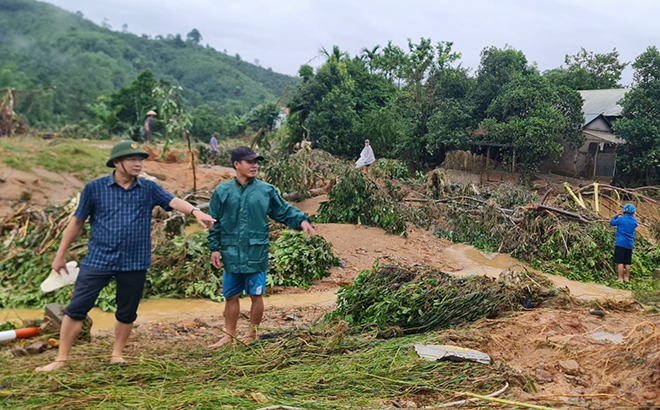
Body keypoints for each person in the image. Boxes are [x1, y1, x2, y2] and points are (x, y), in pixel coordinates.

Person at [36, 141, 216, 372]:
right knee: (77, 308)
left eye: (140, 159)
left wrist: (195, 211)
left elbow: (172, 201)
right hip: (98, 259)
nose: (137, 163)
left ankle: (116, 354)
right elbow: (77, 222)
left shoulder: (148, 188)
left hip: (134, 262)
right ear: (116, 162)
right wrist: (60, 256)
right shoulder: (95, 188)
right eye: (131, 159)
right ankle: (61, 360)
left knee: (127, 311)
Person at [207, 146, 315, 347]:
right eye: (250, 162)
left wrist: (301, 220)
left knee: (256, 295)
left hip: (256, 251)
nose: (255, 165)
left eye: (256, 162)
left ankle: (252, 333)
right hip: (230, 251)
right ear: (236, 164)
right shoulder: (222, 191)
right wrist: (214, 248)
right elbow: (215, 221)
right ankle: (229, 334)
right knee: (230, 295)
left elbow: (283, 211)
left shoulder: (266, 190)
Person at [610, 203, 639, 283]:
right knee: (627, 262)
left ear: (623, 211)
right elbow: (635, 225)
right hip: (629, 244)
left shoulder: (621, 219)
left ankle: (620, 279)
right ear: (633, 212)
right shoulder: (634, 221)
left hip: (620, 243)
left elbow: (612, 223)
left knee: (620, 262)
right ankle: (627, 278)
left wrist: (617, 215)